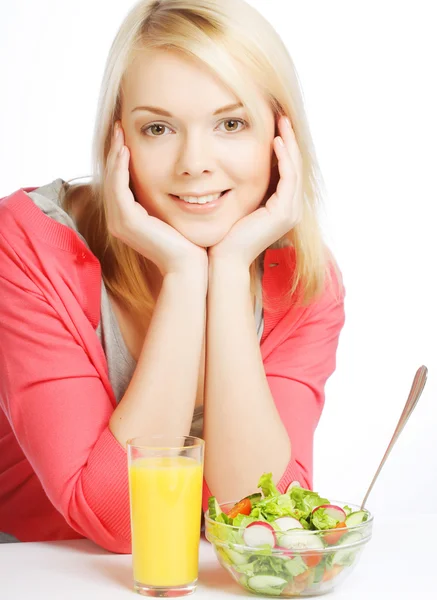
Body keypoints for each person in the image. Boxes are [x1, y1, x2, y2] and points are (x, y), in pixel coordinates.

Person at [0, 0, 345, 553]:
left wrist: (228, 272)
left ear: (281, 136)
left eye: (231, 124)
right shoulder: (26, 244)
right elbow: (121, 523)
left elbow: (262, 520)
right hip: (33, 572)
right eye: (158, 128)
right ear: (120, 140)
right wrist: (185, 275)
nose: (194, 162)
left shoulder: (304, 282)